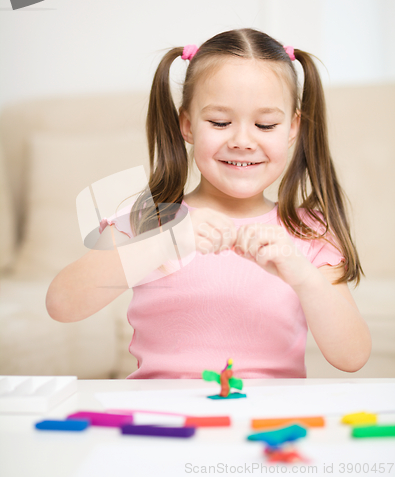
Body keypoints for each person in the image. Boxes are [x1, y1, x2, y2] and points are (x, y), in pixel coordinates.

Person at [46, 28, 371, 379]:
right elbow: (62, 304)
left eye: (265, 124)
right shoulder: (150, 220)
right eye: (220, 122)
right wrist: (164, 242)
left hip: (268, 421)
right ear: (187, 125)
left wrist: (304, 277)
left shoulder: (309, 231)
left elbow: (352, 357)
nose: (243, 141)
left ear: (292, 128)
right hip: (165, 419)